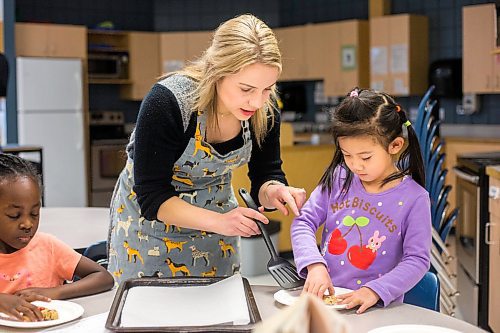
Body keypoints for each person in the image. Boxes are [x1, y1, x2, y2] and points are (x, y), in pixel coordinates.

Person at [107, 14, 306, 283]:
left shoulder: (264, 112)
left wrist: (274, 191)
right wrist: (222, 222)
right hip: (148, 232)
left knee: (217, 316)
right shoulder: (169, 102)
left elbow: (265, 173)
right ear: (217, 71)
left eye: (267, 89)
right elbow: (152, 197)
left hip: (216, 236)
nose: (257, 102)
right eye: (246, 88)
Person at [291, 88, 431, 314]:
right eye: (347, 155)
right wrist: (315, 265)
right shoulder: (339, 178)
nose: (355, 165)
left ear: (395, 146)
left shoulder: (414, 198)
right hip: (328, 302)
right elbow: (303, 222)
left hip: (375, 309)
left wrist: (374, 290)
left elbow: (417, 259)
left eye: (365, 157)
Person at [0, 154, 114, 321]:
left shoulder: (47, 247)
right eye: (14, 215)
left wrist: (53, 292)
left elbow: (103, 277)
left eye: (34, 214)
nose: (27, 224)